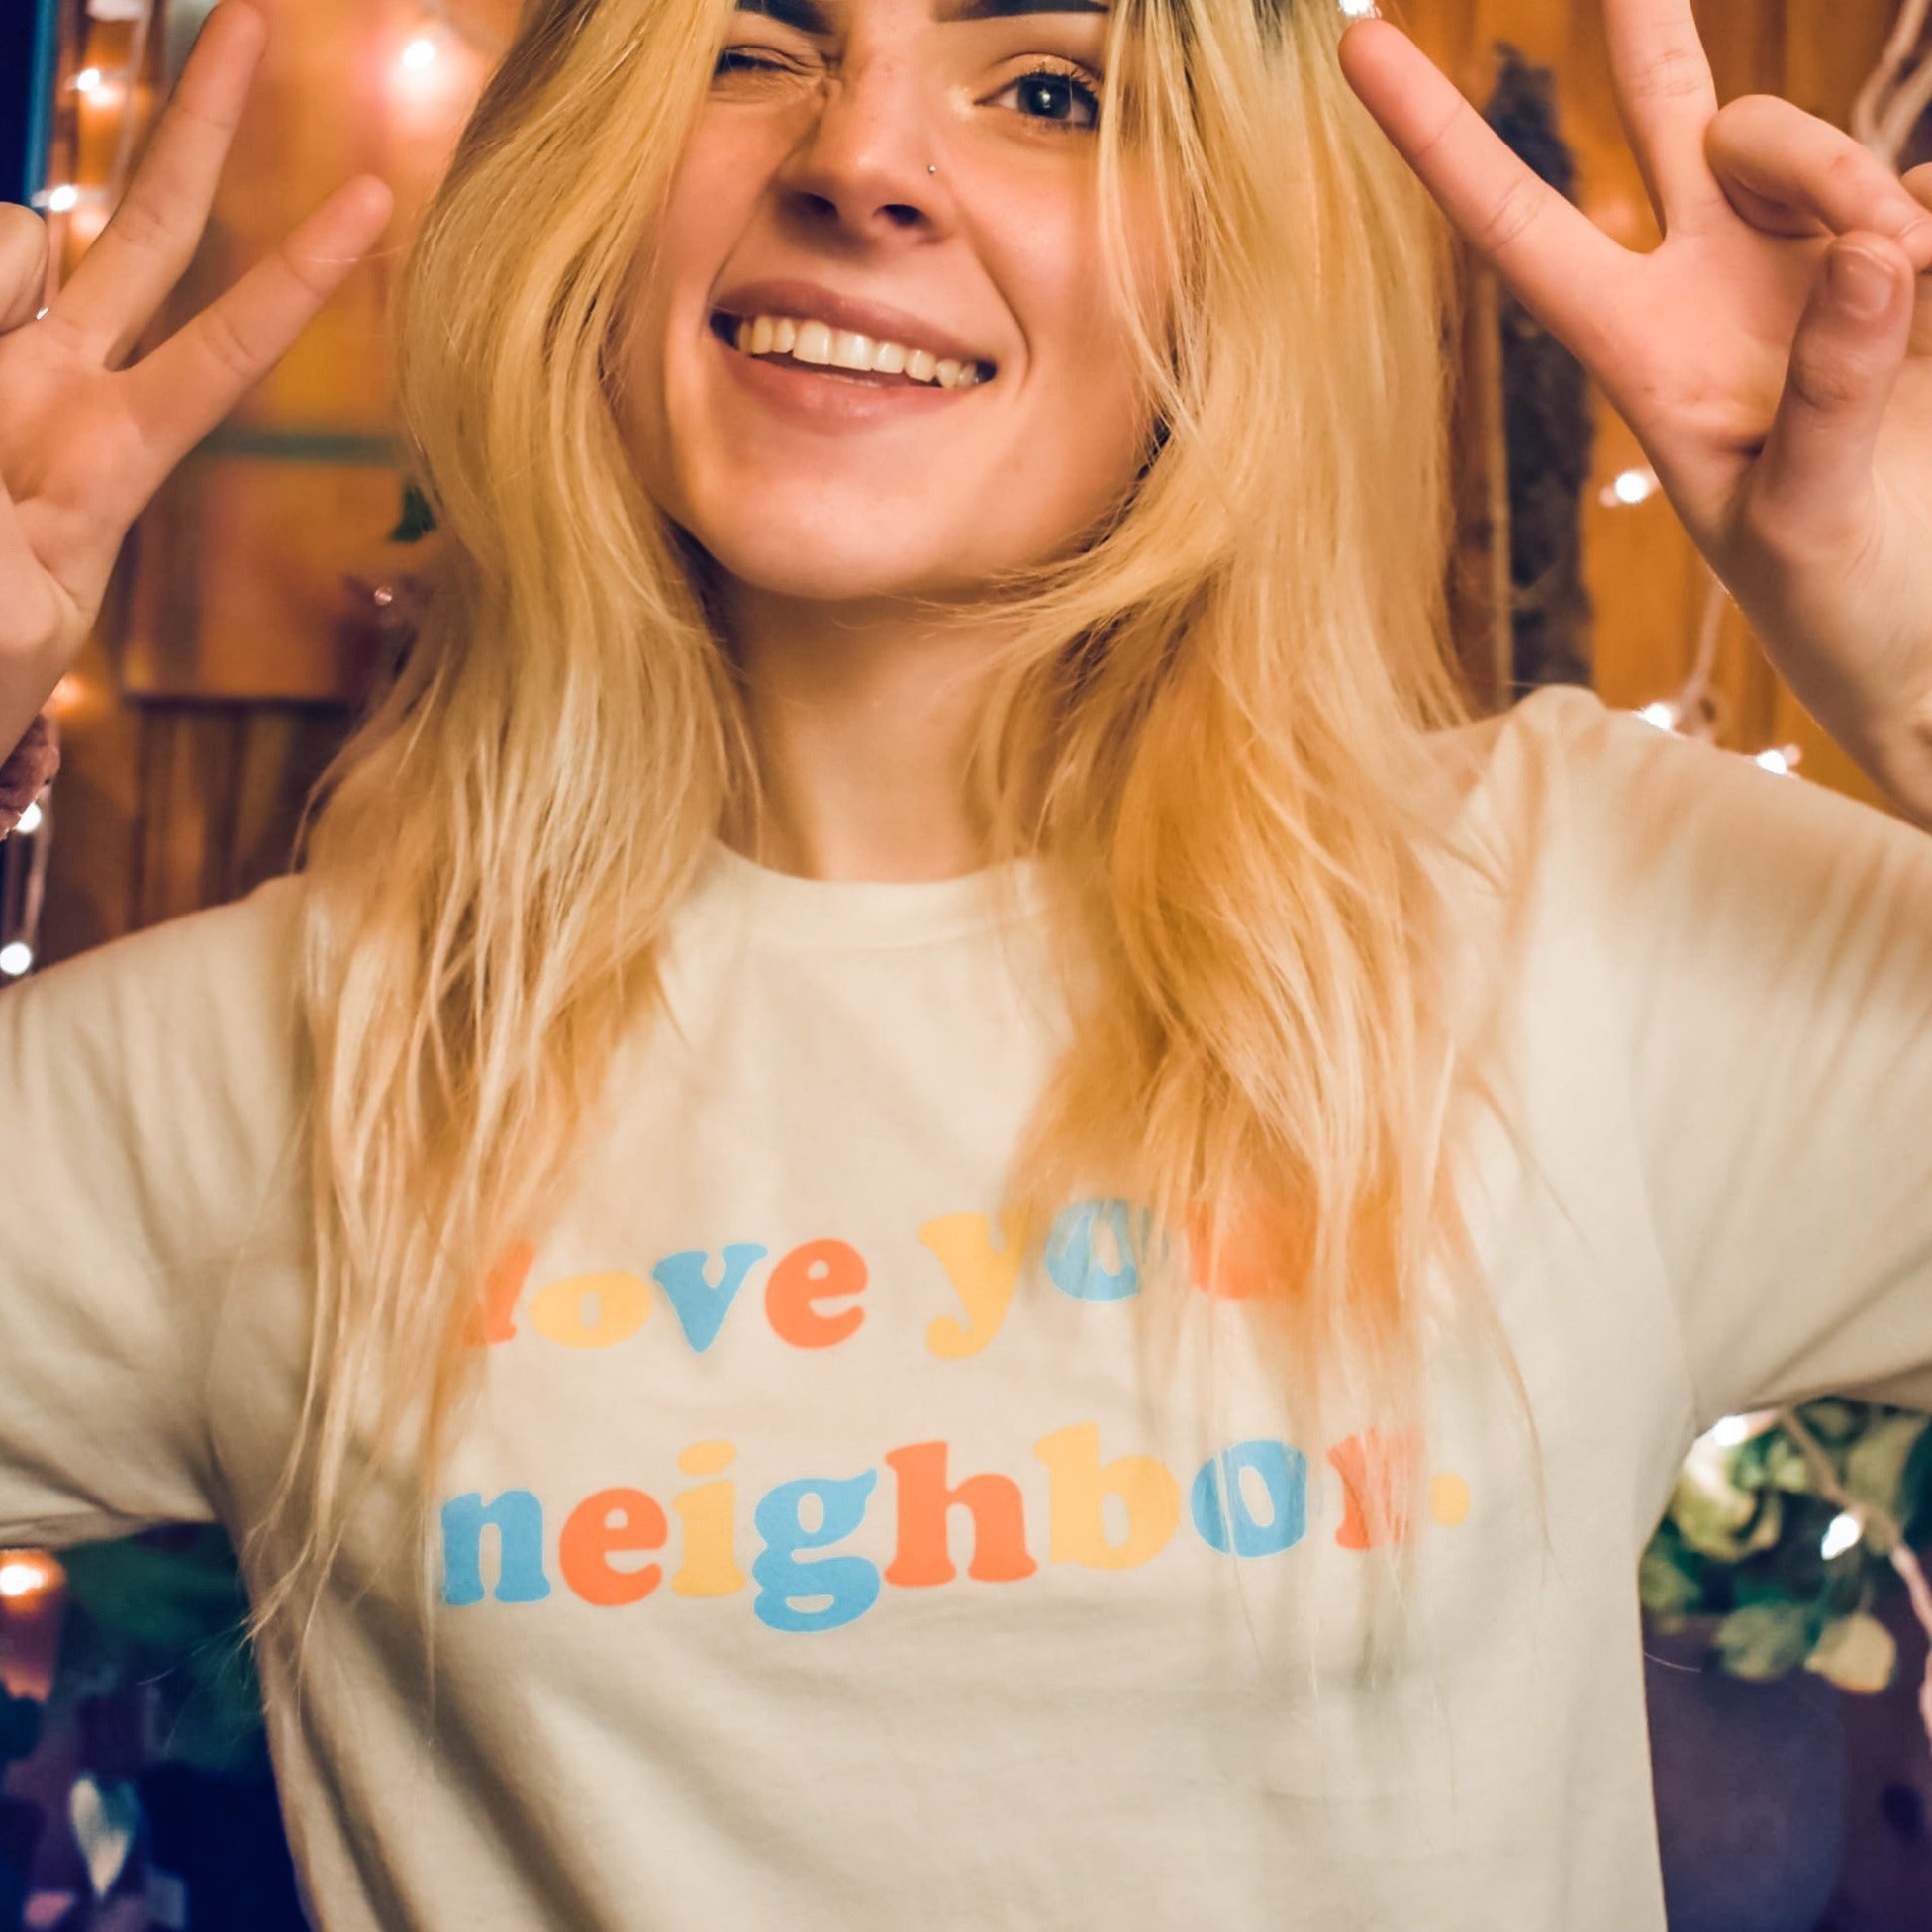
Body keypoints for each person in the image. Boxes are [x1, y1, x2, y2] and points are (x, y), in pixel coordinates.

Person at [1, 0, 1930, 1923]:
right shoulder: (257, 1069)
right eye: (752, 47)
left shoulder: (1584, 920)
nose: (856, 159)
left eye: (1047, 89)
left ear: (1230, 266)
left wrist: (1918, 670)